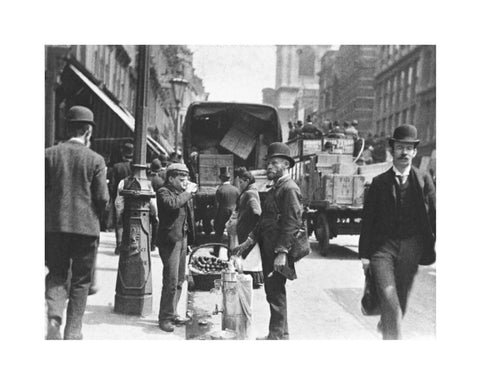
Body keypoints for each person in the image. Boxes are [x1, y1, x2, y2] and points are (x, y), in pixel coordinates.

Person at [359, 124, 436, 340]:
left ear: (414, 152)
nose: (404, 152)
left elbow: (435, 214)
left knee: (400, 300)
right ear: (392, 150)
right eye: (400, 147)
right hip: (382, 248)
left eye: (409, 148)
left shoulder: (423, 179)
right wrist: (365, 256)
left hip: (412, 246)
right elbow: (368, 221)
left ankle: (388, 322)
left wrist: (429, 241)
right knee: (389, 297)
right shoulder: (379, 183)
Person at [45, 106, 109, 340]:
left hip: (54, 227)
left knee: (57, 274)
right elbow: (102, 198)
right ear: (88, 132)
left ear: (67, 127)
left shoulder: (49, 154)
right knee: (81, 282)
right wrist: (101, 217)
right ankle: (73, 332)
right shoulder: (96, 160)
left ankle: (54, 317)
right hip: (85, 229)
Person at [234, 143, 302, 340]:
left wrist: (282, 253)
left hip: (278, 250)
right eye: (268, 163)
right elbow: (265, 220)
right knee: (275, 292)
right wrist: (248, 242)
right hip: (270, 248)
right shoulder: (277, 187)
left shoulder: (289, 189)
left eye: (274, 163)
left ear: (286, 165)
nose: (269, 167)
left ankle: (276, 337)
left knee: (275, 293)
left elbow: (292, 223)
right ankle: (282, 334)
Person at [156, 163, 198, 332]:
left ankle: (172, 312)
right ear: (171, 178)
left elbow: (188, 215)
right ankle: (164, 318)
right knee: (171, 281)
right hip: (170, 241)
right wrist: (188, 193)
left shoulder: (182, 193)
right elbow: (172, 205)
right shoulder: (163, 192)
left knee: (180, 280)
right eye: (181, 179)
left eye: (186, 178)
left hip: (182, 239)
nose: (185, 182)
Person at [232, 167, 263, 288]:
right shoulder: (249, 191)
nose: (239, 185)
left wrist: (251, 223)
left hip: (249, 230)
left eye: (240, 182)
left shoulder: (250, 193)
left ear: (247, 181)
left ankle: (252, 280)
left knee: (251, 256)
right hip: (246, 229)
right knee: (249, 256)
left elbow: (257, 212)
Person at [111, 142, 134, 254]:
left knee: (119, 221)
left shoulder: (117, 167)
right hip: (132, 197)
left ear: (123, 153)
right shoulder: (134, 167)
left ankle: (119, 245)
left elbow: (112, 185)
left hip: (119, 196)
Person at [213, 167, 240, 255]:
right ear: (230, 178)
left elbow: (217, 206)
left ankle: (216, 252)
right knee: (231, 236)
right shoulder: (236, 189)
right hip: (232, 214)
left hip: (221, 214)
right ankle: (230, 255)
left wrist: (214, 218)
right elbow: (239, 203)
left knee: (218, 234)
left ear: (221, 178)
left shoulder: (220, 190)